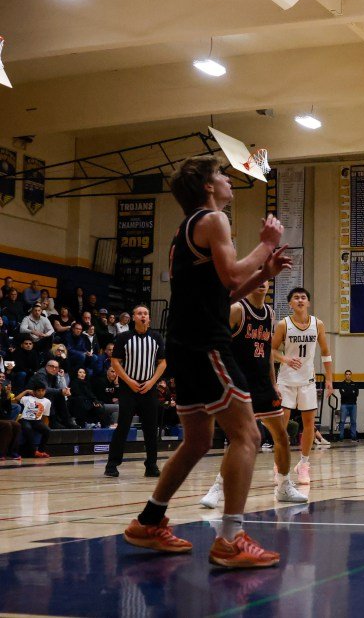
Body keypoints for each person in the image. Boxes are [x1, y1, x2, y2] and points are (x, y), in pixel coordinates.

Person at [122, 154, 290, 569]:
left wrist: (263, 274)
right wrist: (266, 242)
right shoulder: (214, 221)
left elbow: (224, 295)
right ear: (207, 186)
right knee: (248, 437)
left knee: (197, 440)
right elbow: (233, 277)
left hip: (184, 342)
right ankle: (230, 538)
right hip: (206, 344)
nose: (229, 179)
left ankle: (148, 520)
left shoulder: (185, 232)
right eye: (221, 174)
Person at [200, 280, 307, 508]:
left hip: (262, 384)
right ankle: (218, 487)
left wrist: (272, 381)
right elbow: (217, 344)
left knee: (282, 436)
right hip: (240, 383)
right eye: (255, 278)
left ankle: (284, 486)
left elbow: (268, 350)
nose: (261, 283)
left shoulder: (269, 313)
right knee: (239, 440)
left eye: (265, 279)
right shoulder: (237, 310)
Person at [271, 287, 333, 485]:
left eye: (303, 297)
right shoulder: (283, 325)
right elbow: (270, 350)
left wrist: (330, 379)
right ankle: (279, 464)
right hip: (286, 380)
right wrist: (285, 359)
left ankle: (304, 465)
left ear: (308, 303)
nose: (300, 300)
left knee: (309, 424)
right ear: (290, 303)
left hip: (307, 379)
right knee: (282, 425)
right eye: (296, 298)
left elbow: (325, 352)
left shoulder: (318, 324)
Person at [104, 305, 166, 478]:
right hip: (128, 388)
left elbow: (162, 362)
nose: (143, 316)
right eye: (139, 313)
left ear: (149, 318)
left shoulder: (156, 337)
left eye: (145, 313)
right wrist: (129, 381)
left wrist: (152, 382)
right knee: (123, 426)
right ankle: (112, 464)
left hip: (149, 388)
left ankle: (151, 465)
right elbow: (115, 361)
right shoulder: (124, 337)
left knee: (151, 428)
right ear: (133, 318)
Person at [16, 382, 50, 458]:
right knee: (28, 429)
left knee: (47, 430)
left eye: (42, 390)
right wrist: (27, 391)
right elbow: (17, 398)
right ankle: (34, 451)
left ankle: (41, 451)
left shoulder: (47, 401)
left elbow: (45, 415)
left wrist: (43, 425)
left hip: (37, 421)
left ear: (45, 391)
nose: (41, 393)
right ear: (34, 391)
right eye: (38, 390)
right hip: (25, 419)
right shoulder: (28, 398)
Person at [337, 369, 359, 441]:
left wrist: (348, 392)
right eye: (347, 374)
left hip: (353, 405)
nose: (348, 375)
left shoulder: (354, 384)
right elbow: (343, 394)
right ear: (345, 375)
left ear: (351, 375)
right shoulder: (342, 384)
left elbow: (356, 394)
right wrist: (351, 392)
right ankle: (341, 437)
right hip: (344, 405)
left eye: (349, 374)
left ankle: (353, 436)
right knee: (342, 421)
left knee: (353, 421)